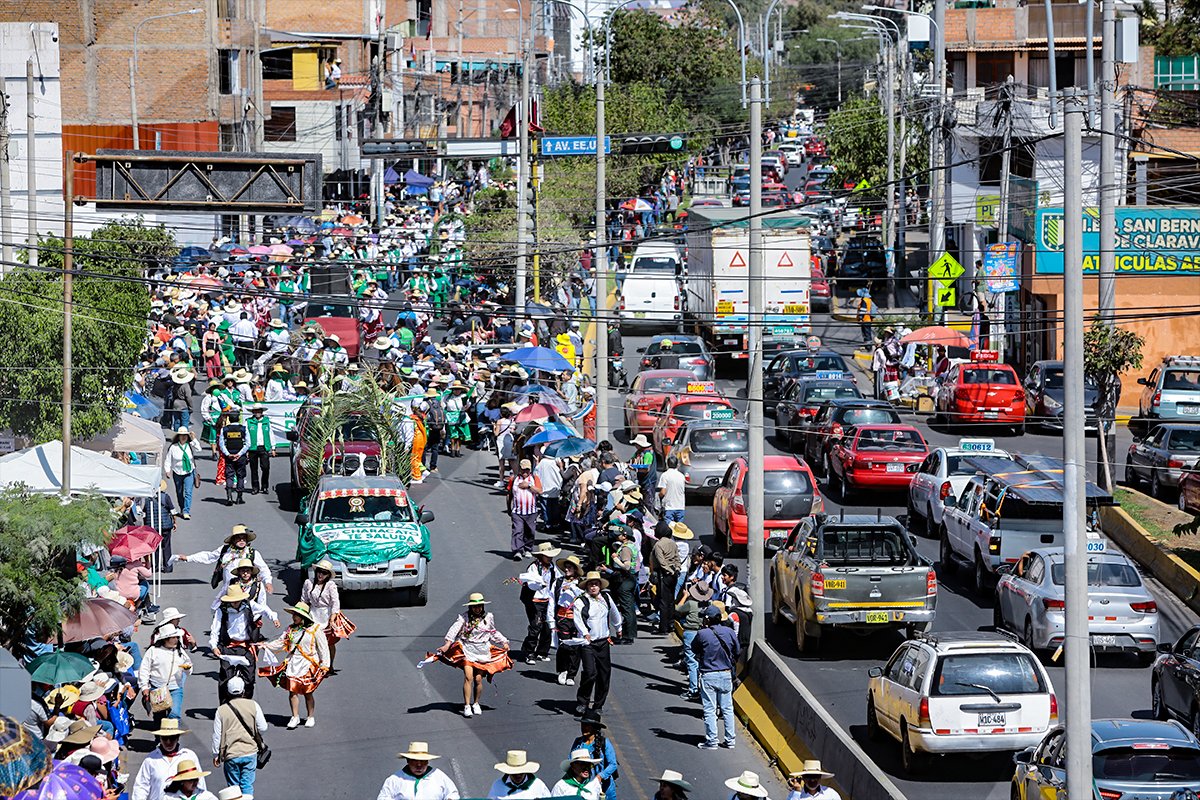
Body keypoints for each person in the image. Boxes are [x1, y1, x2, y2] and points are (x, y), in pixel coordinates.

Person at [434, 593, 512, 718]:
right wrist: (447, 644)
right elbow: (454, 630)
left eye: (479, 606)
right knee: (468, 677)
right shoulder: (464, 618)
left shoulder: (488, 617)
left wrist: (504, 642)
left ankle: (476, 703)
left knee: (478, 679)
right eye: (475, 606)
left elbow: (493, 632)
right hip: (467, 649)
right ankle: (466, 705)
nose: (477, 609)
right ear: (470, 607)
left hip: (482, 651)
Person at [259, 601, 330, 729]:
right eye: (293, 614)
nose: (293, 617)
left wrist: (325, 665)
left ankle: (310, 716)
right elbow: (281, 642)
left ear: (303, 617)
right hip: (293, 663)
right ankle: (295, 716)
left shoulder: (315, 629)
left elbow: (323, 648)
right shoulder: (290, 629)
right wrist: (266, 646)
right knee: (292, 691)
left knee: (308, 692)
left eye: (296, 615)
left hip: (308, 663)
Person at [209, 583, 280, 704]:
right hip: (228, 647)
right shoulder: (222, 610)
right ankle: (225, 706)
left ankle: (246, 704)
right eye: (233, 601)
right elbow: (215, 629)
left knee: (249, 679)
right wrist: (214, 646)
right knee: (225, 678)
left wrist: (274, 618)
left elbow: (264, 609)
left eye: (237, 600)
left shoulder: (249, 605)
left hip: (246, 647)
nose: (235, 603)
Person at [210, 676, 266, 800]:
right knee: (247, 785)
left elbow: (217, 735)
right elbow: (263, 727)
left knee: (233, 788)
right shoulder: (253, 705)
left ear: (227, 691)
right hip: (250, 751)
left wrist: (216, 754)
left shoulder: (221, 710)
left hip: (231, 754)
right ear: (243, 690)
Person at [573, 571, 621, 714]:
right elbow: (578, 619)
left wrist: (618, 627)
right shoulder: (581, 601)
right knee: (590, 673)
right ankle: (583, 701)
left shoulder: (606, 598)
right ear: (587, 586)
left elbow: (614, 612)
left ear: (600, 586)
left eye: (596, 584)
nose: (593, 587)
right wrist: (585, 633)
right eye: (591, 584)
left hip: (603, 642)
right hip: (588, 643)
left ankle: (598, 705)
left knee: (604, 674)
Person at [693, 605, 740, 750]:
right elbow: (737, 651)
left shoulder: (702, 634)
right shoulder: (729, 631)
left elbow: (694, 649)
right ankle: (730, 740)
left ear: (707, 619)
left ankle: (712, 741)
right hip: (726, 674)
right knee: (727, 709)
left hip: (709, 674)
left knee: (710, 709)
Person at [179, 525, 273, 592]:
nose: (241, 540)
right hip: (229, 590)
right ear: (233, 539)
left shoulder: (252, 553)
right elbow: (209, 556)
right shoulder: (225, 550)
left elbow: (263, 568)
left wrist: (268, 582)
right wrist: (188, 558)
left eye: (244, 538)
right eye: (238, 538)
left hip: (246, 590)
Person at [301, 558, 355, 672]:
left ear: (328, 575)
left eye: (324, 573)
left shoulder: (331, 585)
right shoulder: (308, 583)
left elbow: (335, 603)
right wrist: (301, 614)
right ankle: (316, 665)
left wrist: (332, 619)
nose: (320, 575)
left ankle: (329, 666)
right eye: (319, 571)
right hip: (313, 614)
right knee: (313, 642)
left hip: (326, 615)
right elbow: (304, 600)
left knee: (328, 643)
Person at [132, 719, 207, 800]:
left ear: (178, 738)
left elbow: (200, 784)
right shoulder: (151, 760)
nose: (168, 742)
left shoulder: (189, 756)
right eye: (165, 738)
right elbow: (141, 787)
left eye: (172, 738)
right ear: (160, 738)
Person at [138, 624, 192, 722]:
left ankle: (172, 731)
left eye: (177, 637)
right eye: (173, 637)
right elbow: (144, 669)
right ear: (165, 639)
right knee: (159, 717)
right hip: (157, 689)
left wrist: (188, 668)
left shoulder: (179, 651)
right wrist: (144, 687)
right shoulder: (153, 651)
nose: (176, 639)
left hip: (175, 688)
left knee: (174, 714)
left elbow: (188, 666)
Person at [517, 541, 560, 664]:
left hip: (548, 600)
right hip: (534, 601)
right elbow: (531, 583)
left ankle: (542, 651)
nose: (550, 558)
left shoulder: (552, 567)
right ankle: (529, 652)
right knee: (536, 626)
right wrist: (540, 585)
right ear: (541, 556)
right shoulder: (534, 567)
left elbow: (558, 578)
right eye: (547, 556)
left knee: (547, 627)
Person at [377, 742, 460, 800]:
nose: (419, 765)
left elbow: (453, 793)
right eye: (415, 761)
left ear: (427, 761)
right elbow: (383, 797)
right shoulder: (395, 780)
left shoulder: (438, 776)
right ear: (408, 760)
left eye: (422, 761)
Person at [570, 710, 619, 800]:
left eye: (587, 725)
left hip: (605, 789)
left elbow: (613, 764)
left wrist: (600, 776)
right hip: (585, 787)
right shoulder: (578, 743)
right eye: (583, 724)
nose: (584, 727)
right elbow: (571, 760)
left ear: (594, 728)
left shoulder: (604, 743)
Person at [553, 555, 585, 685]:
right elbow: (552, 599)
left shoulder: (581, 584)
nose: (566, 570)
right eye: (566, 567)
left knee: (576, 646)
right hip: (562, 618)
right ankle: (563, 670)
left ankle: (572, 674)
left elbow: (583, 596)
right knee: (564, 644)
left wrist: (572, 587)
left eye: (570, 567)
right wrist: (550, 620)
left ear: (575, 569)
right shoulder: (559, 582)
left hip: (577, 619)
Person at [675, 580, 709, 700]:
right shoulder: (707, 604)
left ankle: (693, 690)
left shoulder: (691, 604)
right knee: (700, 660)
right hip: (702, 632)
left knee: (692, 661)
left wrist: (685, 596)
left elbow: (678, 608)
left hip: (690, 632)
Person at [605, 525, 638, 644]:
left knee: (626, 608)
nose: (617, 536)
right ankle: (629, 634)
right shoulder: (630, 546)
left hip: (625, 579)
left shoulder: (625, 549)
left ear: (624, 536)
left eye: (619, 535)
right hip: (629, 578)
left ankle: (627, 637)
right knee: (629, 607)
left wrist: (615, 559)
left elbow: (626, 566)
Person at [651, 522, 683, 635]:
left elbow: (661, 561)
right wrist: (676, 570)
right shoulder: (673, 543)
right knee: (671, 601)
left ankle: (663, 628)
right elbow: (677, 558)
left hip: (664, 574)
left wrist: (669, 571)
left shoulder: (658, 545)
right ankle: (671, 624)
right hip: (673, 574)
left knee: (663, 602)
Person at [163, 427, 200, 520]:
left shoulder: (190, 445)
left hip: (189, 472)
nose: (183, 437)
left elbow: (199, 449)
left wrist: (194, 439)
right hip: (177, 472)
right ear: (178, 436)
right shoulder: (173, 447)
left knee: (188, 492)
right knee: (179, 492)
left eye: (185, 435)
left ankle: (186, 511)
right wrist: (167, 470)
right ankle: (182, 508)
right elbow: (168, 460)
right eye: (181, 435)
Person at [509, 459, 541, 560]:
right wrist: (509, 508)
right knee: (518, 531)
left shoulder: (534, 478)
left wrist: (529, 486)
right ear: (520, 469)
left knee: (530, 532)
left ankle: (528, 549)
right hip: (517, 512)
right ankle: (517, 551)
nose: (525, 472)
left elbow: (540, 491)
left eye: (527, 470)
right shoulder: (514, 479)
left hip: (531, 512)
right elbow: (509, 494)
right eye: (523, 470)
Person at [219, 409, 249, 505]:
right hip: (241, 457)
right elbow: (248, 444)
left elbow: (221, 444)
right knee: (240, 476)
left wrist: (228, 454)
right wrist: (239, 454)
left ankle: (229, 497)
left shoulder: (224, 429)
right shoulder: (243, 429)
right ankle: (239, 497)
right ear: (238, 418)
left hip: (229, 457)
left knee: (229, 476)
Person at [244, 404, 275, 495]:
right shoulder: (248, 422)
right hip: (252, 448)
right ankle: (255, 487)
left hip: (263, 447)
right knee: (254, 469)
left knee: (265, 467)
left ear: (262, 412)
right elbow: (245, 435)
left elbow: (270, 434)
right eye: (255, 411)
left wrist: (273, 447)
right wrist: (246, 449)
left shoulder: (266, 421)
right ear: (253, 412)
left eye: (259, 411)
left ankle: (264, 486)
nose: (257, 413)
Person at [628, 435, 657, 503]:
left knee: (648, 502)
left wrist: (634, 468)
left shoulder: (648, 454)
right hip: (641, 481)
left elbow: (646, 469)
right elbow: (631, 460)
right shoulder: (638, 452)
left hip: (648, 481)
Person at [657, 456, 686, 524]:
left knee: (669, 527)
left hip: (669, 507)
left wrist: (658, 496)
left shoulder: (665, 475)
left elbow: (663, 492)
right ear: (677, 465)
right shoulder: (681, 476)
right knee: (679, 528)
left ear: (667, 464)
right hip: (680, 506)